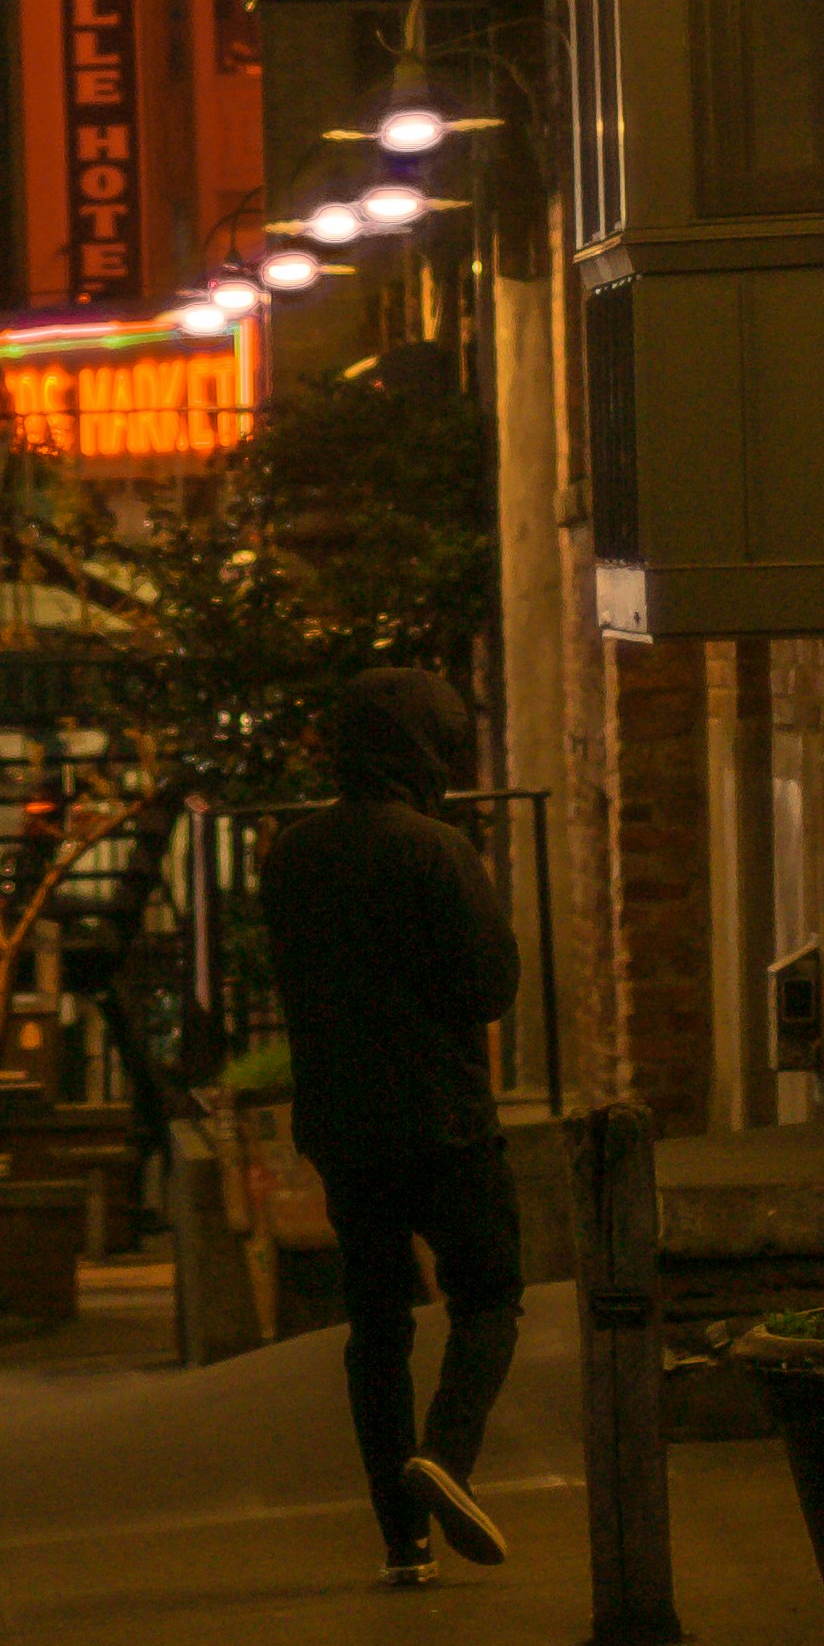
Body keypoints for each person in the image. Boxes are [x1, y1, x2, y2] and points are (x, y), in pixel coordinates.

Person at [256, 666, 528, 1587]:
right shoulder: (435, 849)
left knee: (376, 1327)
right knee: (489, 1295)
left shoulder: (290, 855)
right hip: (444, 1119)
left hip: (342, 1126)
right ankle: (446, 1458)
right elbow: (491, 986)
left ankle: (400, 1542)